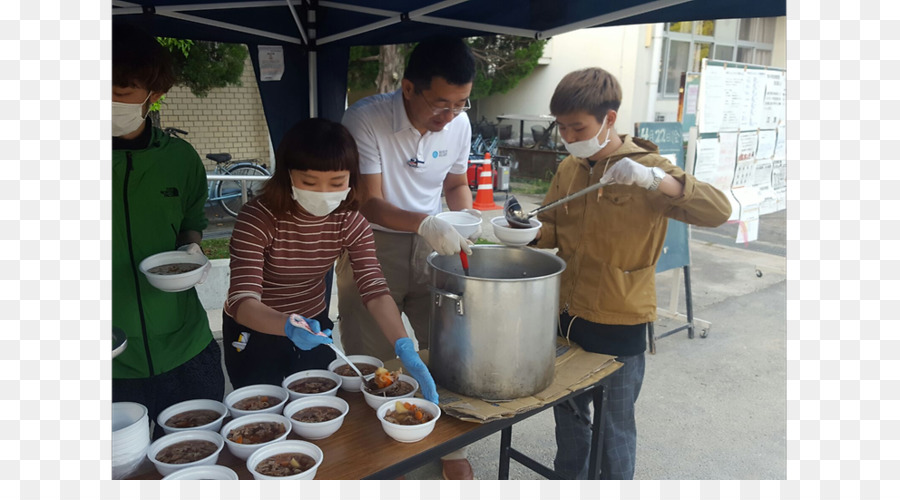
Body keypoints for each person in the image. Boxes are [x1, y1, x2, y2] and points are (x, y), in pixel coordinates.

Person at [534, 67, 731, 480]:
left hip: (618, 320)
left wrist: (656, 180)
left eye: (577, 127)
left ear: (609, 118)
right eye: (562, 128)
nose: (568, 137)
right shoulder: (570, 168)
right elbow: (550, 225)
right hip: (565, 318)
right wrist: (521, 235)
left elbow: (719, 211)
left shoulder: (648, 167)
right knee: (569, 423)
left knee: (615, 428)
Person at [337, 36, 480, 480]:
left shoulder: (458, 124)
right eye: (441, 104)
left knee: (444, 344)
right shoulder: (365, 119)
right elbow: (369, 202)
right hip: (371, 239)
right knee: (376, 352)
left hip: (433, 241)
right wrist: (424, 222)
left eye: (461, 104)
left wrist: (468, 217)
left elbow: (456, 184)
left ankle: (450, 446)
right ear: (409, 88)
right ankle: (383, 452)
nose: (450, 115)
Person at [222, 118, 438, 405]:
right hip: (257, 330)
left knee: (318, 410)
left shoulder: (350, 221)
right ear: (287, 176)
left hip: (315, 329)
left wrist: (403, 345)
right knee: (264, 416)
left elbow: (373, 289)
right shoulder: (258, 218)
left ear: (352, 178)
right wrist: (287, 326)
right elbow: (242, 300)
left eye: (337, 183)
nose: (324, 194)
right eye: (309, 182)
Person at [112, 24, 224, 436]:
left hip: (185, 347)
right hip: (111, 358)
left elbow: (191, 225)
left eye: (119, 94)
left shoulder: (179, 158)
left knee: (199, 455)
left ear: (153, 96)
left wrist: (191, 252)